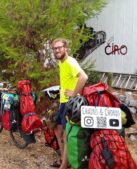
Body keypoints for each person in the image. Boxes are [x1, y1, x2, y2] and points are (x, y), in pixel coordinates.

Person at [51, 38, 88, 169]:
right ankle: (64, 158)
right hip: (63, 102)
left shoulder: (70, 62)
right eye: (55, 48)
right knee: (57, 129)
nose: (57, 50)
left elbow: (83, 77)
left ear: (65, 48)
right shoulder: (62, 62)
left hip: (70, 104)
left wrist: (73, 93)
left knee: (67, 135)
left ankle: (64, 165)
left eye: (59, 47)